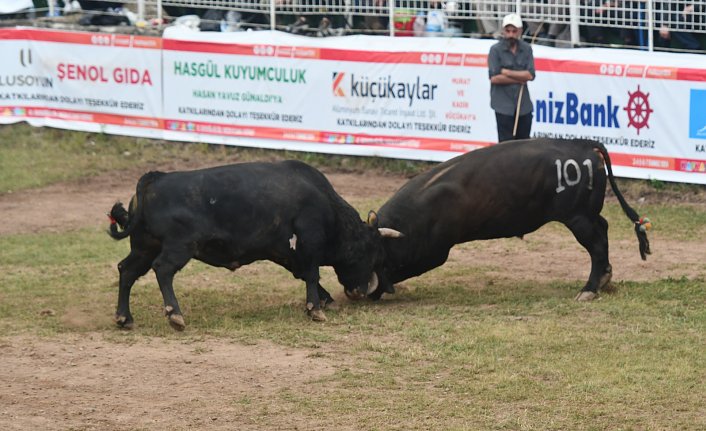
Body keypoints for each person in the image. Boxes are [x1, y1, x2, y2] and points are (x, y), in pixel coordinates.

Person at [487, 13, 536, 143]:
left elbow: (530, 75)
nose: (511, 35)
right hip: (503, 105)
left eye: (514, 31)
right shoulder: (495, 50)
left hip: (523, 105)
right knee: (505, 145)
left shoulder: (526, 49)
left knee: (524, 144)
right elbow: (494, 78)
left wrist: (507, 72)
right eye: (508, 31)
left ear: (519, 31)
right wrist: (520, 78)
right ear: (503, 31)